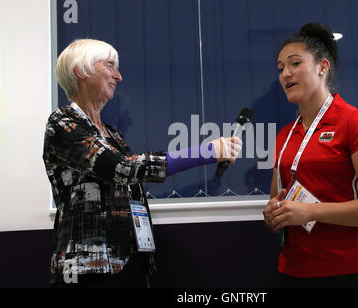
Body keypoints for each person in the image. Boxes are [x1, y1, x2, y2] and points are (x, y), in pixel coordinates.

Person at [44, 39, 242, 288]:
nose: (119, 76)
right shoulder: (63, 123)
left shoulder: (111, 133)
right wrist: (208, 151)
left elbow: (132, 188)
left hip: (130, 262)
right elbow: (123, 168)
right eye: (109, 66)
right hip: (88, 269)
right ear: (80, 71)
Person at [263, 23, 358, 288]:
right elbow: (278, 199)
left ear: (322, 67)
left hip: (350, 270)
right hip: (293, 271)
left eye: (295, 63)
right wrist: (274, 214)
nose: (285, 74)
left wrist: (310, 212)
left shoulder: (355, 122)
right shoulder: (284, 136)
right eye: (280, 68)